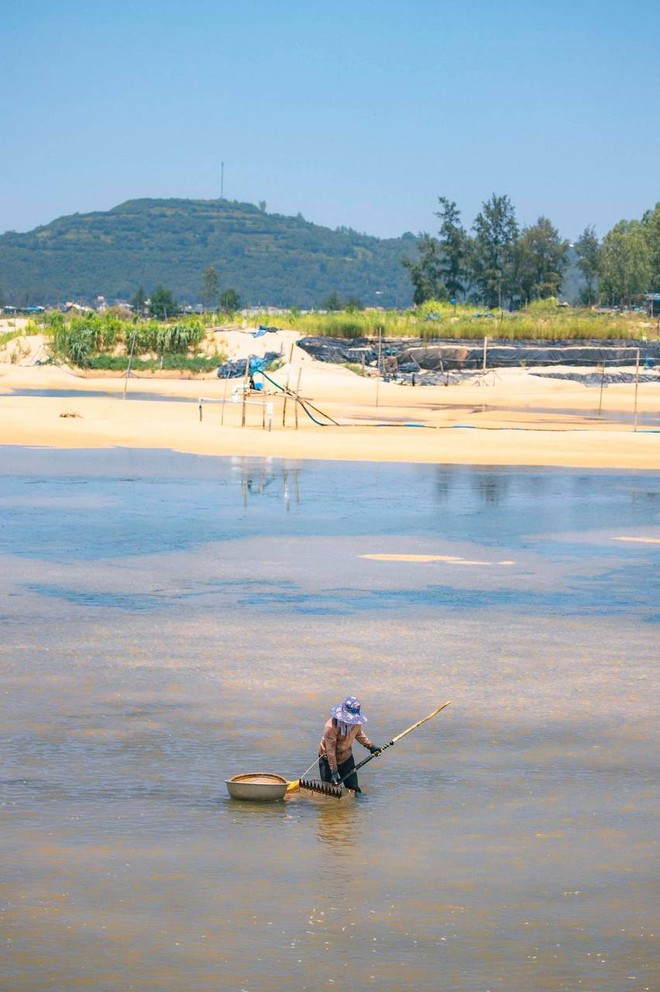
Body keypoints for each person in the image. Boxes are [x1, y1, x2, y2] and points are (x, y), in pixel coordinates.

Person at [318, 696, 381, 793]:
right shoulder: (330, 727)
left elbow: (359, 735)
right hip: (327, 759)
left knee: (353, 788)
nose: (350, 722)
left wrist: (371, 746)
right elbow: (330, 751)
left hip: (346, 757)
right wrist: (334, 771)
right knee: (328, 790)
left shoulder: (356, 723)